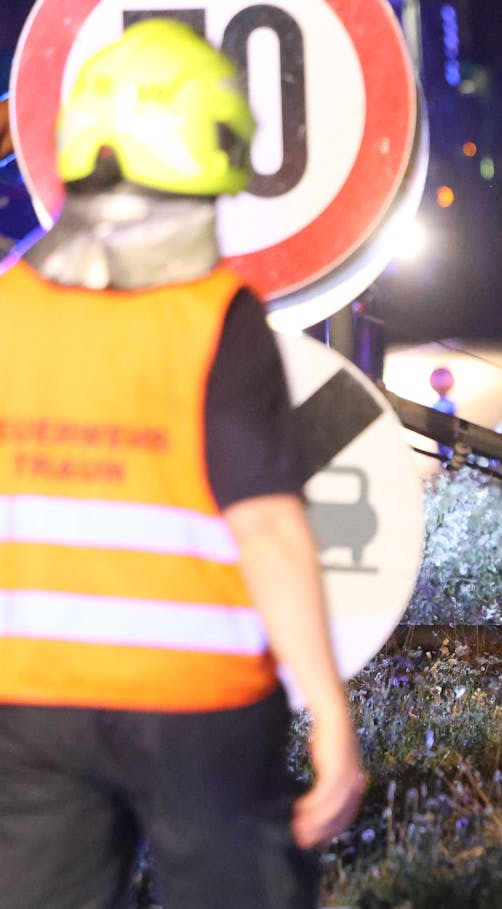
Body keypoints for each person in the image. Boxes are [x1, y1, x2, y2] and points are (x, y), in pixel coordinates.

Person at [0, 18, 364, 908]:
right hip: (199, 705)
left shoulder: (9, 307)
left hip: (26, 699)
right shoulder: (215, 318)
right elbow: (269, 528)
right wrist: (330, 709)